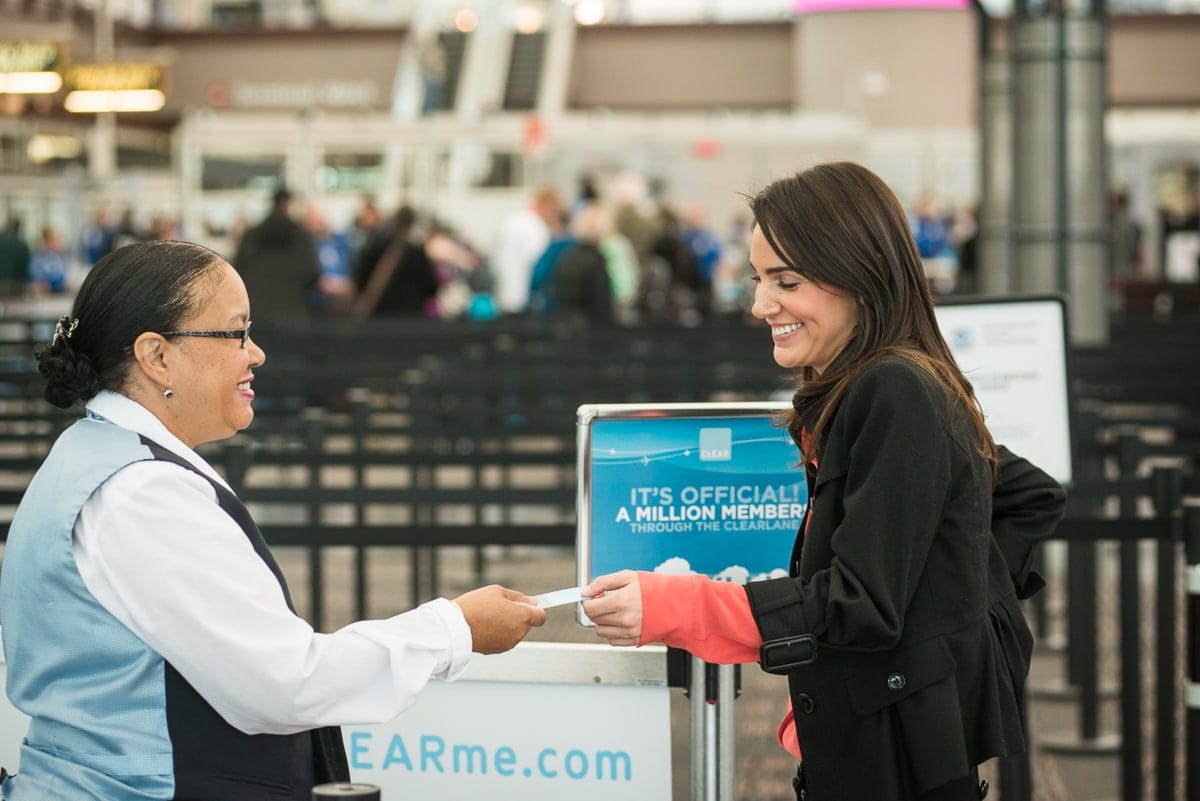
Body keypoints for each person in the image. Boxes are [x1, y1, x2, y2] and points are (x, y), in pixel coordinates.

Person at [582, 162, 1066, 801]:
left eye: (786, 281)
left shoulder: (895, 390)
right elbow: (1023, 494)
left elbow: (857, 603)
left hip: (897, 764)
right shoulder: (874, 388)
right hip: (889, 746)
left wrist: (674, 604)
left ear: (861, 278)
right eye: (758, 279)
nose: (760, 304)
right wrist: (940, 612)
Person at [0, 240, 546, 801]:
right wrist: (453, 629)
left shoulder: (97, 457)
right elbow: (284, 683)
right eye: (235, 333)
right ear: (156, 355)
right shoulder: (141, 492)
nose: (255, 353)